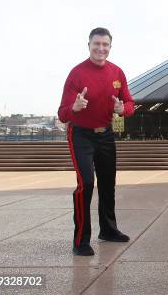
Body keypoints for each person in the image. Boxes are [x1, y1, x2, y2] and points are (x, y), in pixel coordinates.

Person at [58, 27, 135, 256]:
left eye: (105, 45)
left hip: (106, 134)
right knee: (87, 184)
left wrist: (123, 109)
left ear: (110, 47)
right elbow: (62, 113)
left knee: (108, 184)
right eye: (97, 44)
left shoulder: (117, 73)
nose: (101, 48)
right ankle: (81, 240)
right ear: (89, 45)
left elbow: (129, 103)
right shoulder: (76, 74)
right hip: (81, 135)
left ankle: (109, 230)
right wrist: (74, 107)